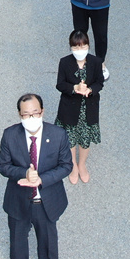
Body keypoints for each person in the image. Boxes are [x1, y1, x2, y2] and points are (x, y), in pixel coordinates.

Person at [0, 93, 72, 259]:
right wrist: (23, 173)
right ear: (20, 115)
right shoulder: (10, 135)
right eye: (26, 115)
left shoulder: (58, 135)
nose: (31, 118)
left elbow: (66, 166)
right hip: (19, 199)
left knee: (48, 238)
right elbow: (3, 166)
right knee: (17, 237)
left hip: (46, 199)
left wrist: (42, 179)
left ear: (42, 112)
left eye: (35, 113)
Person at [55, 31, 104, 184]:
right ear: (71, 48)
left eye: (83, 46)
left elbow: (99, 82)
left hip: (88, 108)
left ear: (88, 46)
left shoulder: (95, 62)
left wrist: (90, 90)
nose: (80, 50)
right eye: (76, 48)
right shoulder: (64, 62)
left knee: (85, 139)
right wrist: (74, 87)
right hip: (69, 108)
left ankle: (82, 164)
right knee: (70, 139)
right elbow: (60, 84)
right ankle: (73, 165)